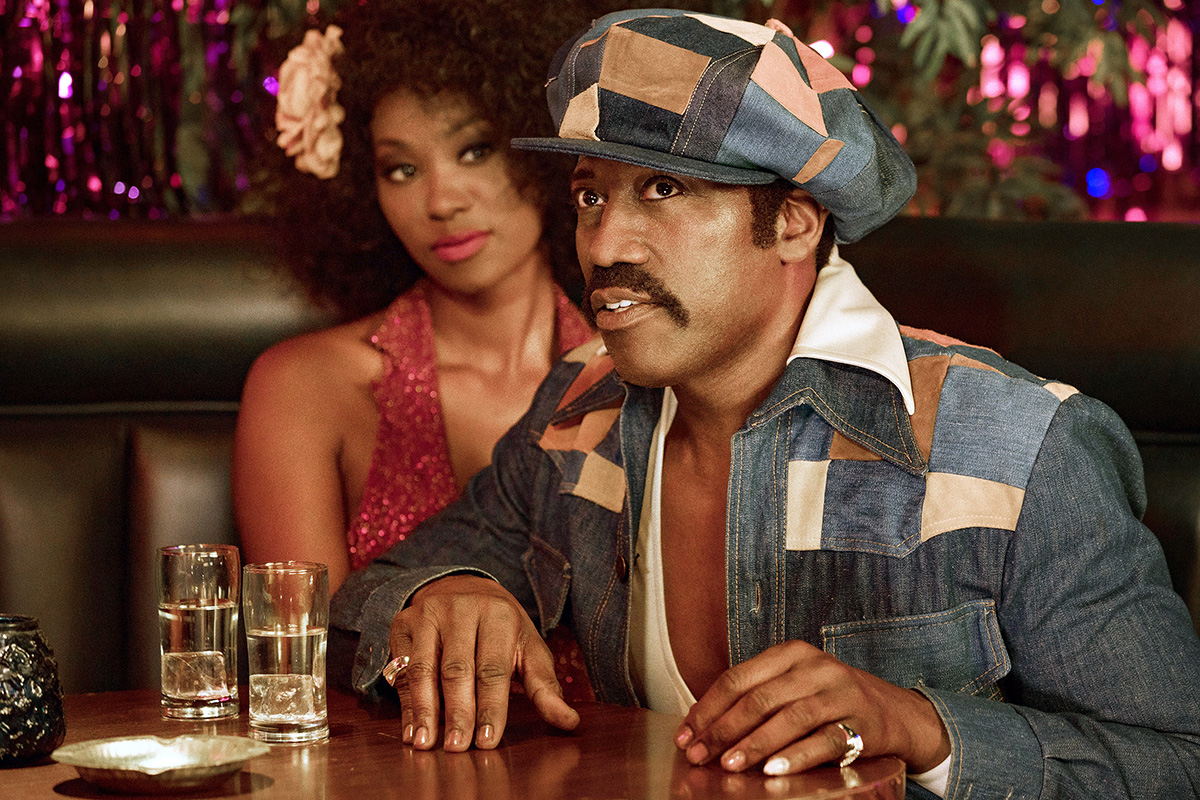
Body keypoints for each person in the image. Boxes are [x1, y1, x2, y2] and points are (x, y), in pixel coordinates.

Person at [329, 9, 1200, 797]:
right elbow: (361, 605)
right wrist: (445, 591)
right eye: (592, 195)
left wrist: (917, 727)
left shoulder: (1023, 446)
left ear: (794, 222)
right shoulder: (576, 411)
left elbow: (1178, 759)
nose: (603, 244)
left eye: (662, 190)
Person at [232, 0, 603, 698]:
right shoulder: (306, 386)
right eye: (401, 169)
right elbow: (301, 672)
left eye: (476, 150)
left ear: (548, 151)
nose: (441, 201)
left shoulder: (633, 373)